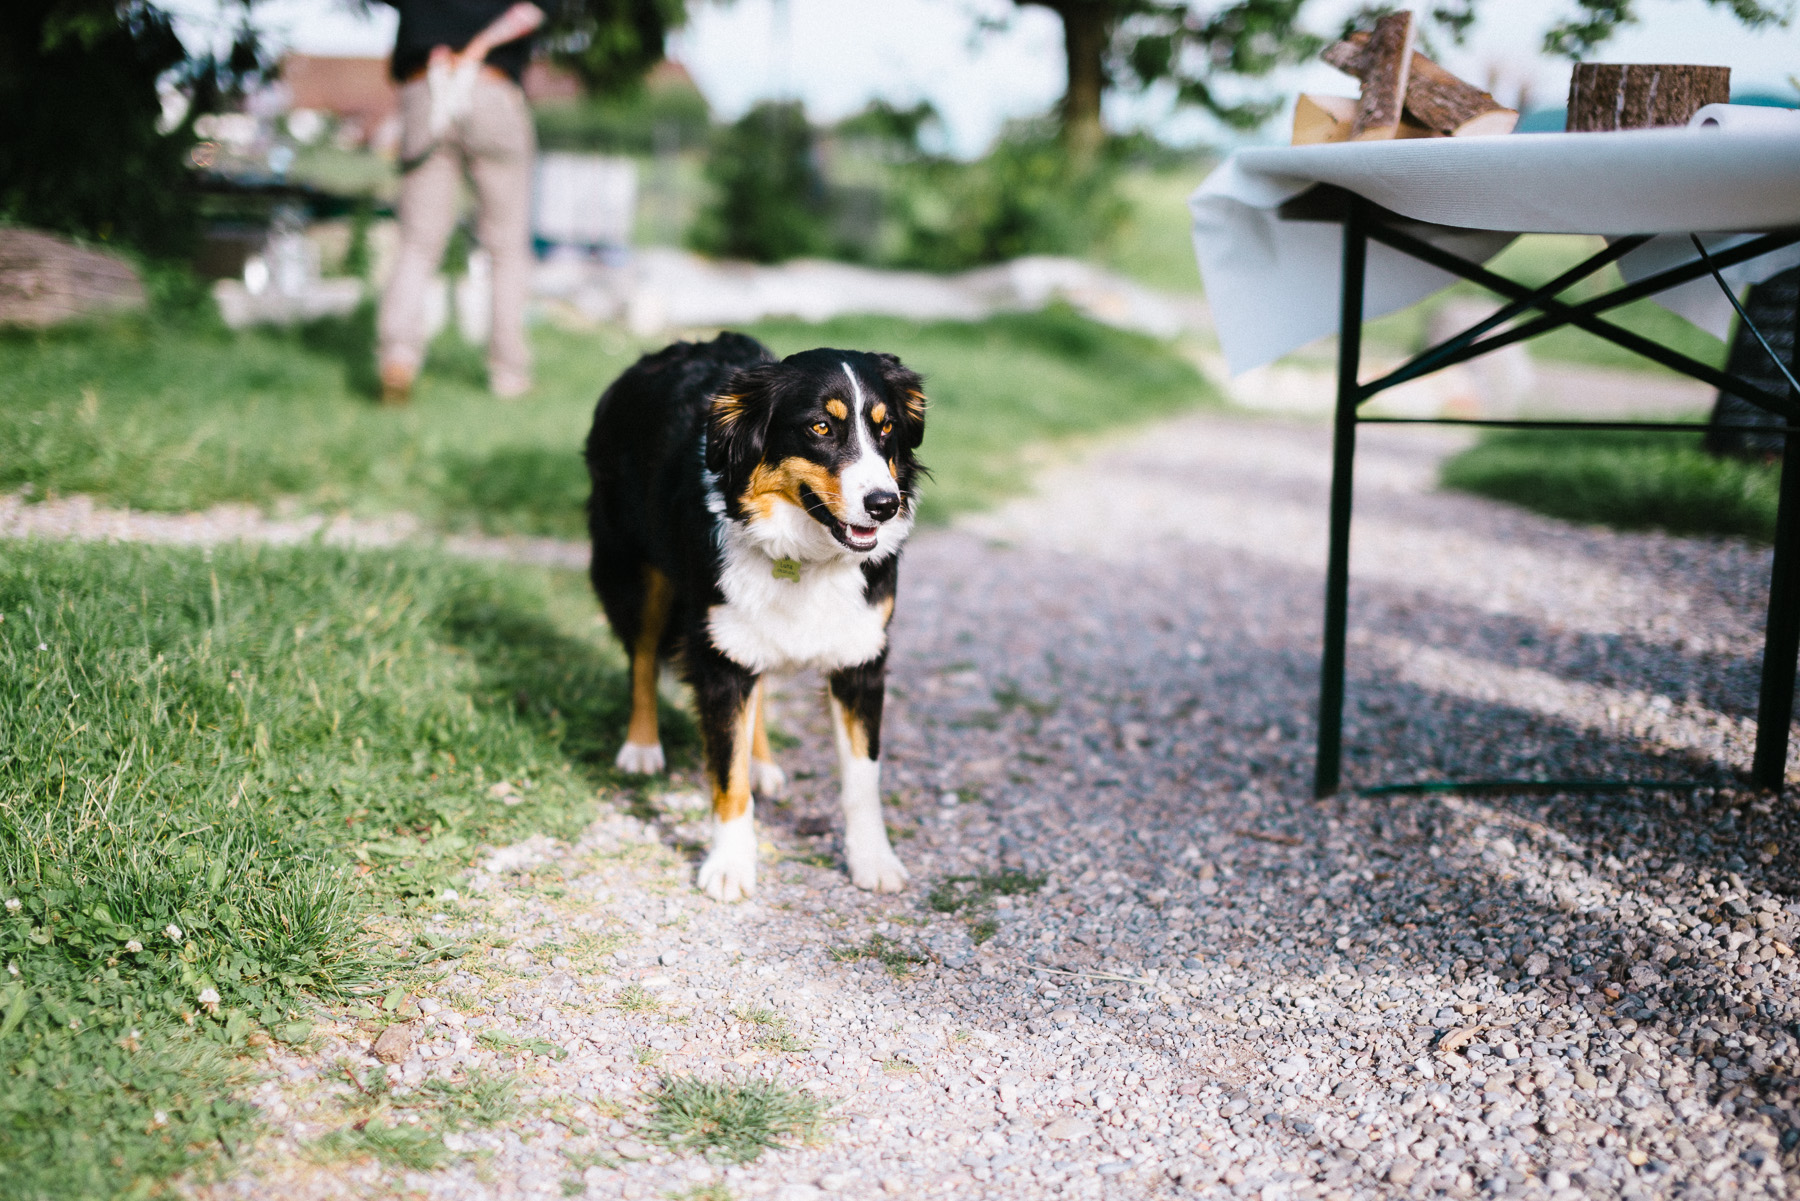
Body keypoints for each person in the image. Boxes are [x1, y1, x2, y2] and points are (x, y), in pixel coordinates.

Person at [376, 0, 545, 403]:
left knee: (417, 243)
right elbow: (532, 11)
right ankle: (509, 373)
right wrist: (480, 46)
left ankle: (398, 356)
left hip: (425, 86)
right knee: (505, 246)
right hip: (490, 88)